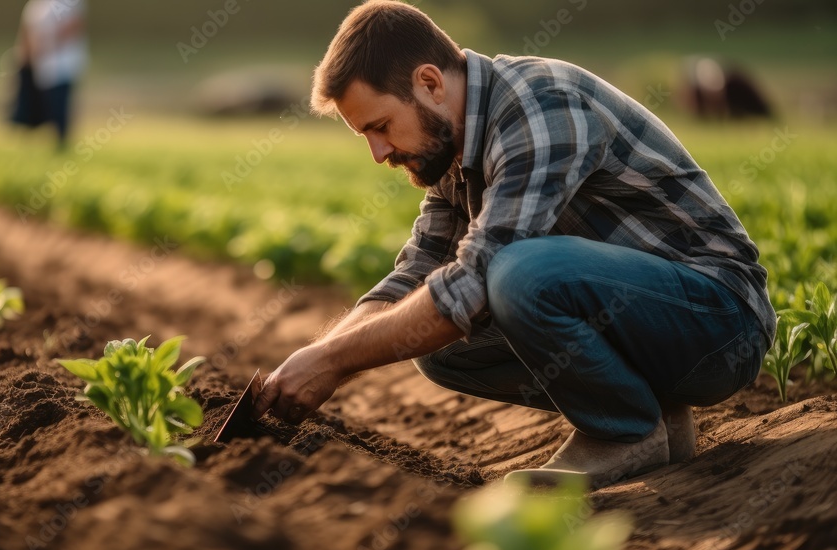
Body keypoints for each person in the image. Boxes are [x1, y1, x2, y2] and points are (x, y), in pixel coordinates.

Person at [251, 0, 775, 490]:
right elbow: (417, 270)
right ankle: (651, 419)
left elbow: (474, 280)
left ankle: (622, 433)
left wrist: (334, 362)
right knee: (437, 347)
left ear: (430, 83)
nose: (378, 151)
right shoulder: (452, 149)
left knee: (515, 272)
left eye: (381, 126)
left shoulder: (539, 106)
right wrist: (320, 353)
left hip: (720, 321)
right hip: (656, 324)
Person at [11, 0, 88, 148]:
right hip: (41, 66)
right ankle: (33, 143)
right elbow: (26, 33)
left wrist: (45, 44)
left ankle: (61, 143)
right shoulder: (35, 6)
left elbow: (74, 26)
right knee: (37, 107)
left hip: (64, 66)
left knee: (59, 106)